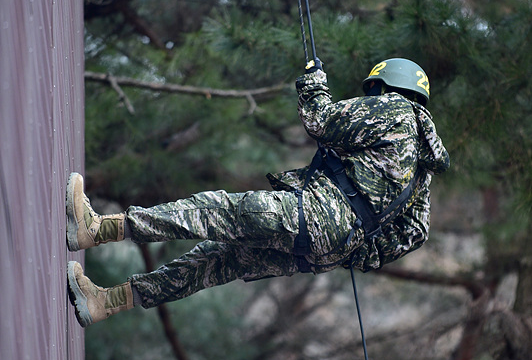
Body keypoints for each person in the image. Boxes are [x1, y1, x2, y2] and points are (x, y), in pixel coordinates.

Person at [66, 58, 450, 328]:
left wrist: (314, 86)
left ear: (386, 86)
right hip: (325, 252)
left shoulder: (394, 110)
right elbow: (413, 235)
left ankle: (96, 229)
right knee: (212, 263)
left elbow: (321, 121)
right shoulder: (422, 169)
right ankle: (105, 303)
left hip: (311, 216)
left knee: (212, 210)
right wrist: (351, 250)